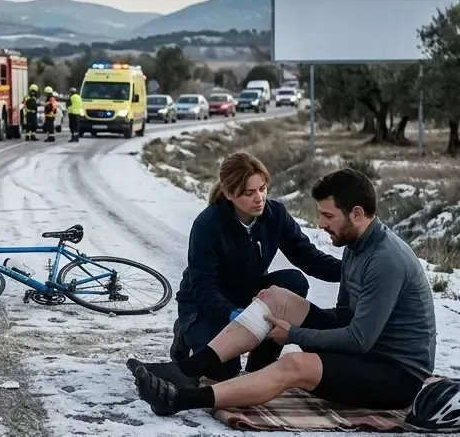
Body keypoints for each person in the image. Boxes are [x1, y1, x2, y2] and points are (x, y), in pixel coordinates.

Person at [130, 167, 437, 416]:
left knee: (292, 365)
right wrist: (288, 325)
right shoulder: (356, 246)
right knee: (275, 296)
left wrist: (294, 335)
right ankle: (186, 369)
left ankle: (180, 400)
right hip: (367, 350)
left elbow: (358, 339)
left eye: (328, 216)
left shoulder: (385, 260)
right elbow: (344, 316)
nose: (321, 224)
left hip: (393, 374)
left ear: (356, 213)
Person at [154, 152, 342, 382]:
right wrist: (231, 313)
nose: (259, 198)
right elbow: (203, 286)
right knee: (224, 372)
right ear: (230, 194)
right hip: (206, 304)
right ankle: (184, 333)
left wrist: (352, 271)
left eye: (262, 188)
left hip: (248, 292)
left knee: (294, 281)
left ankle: (262, 359)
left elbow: (308, 257)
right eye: (249, 193)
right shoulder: (208, 225)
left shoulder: (276, 215)